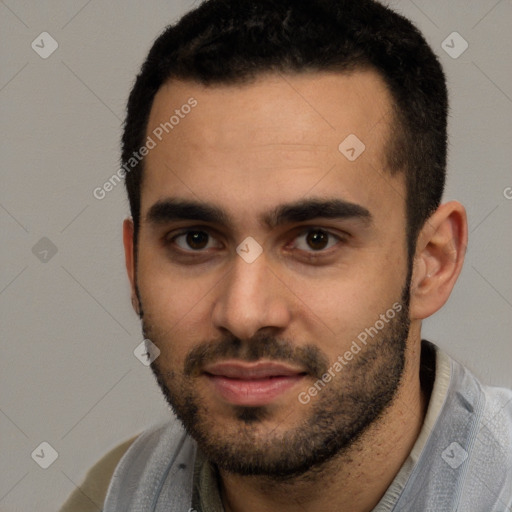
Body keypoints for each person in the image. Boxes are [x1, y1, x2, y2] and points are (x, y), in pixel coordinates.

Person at [60, 0, 512, 510]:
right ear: (133, 265)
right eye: (196, 240)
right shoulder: (115, 494)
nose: (244, 313)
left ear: (432, 263)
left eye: (316, 240)